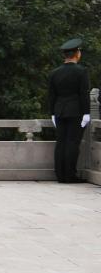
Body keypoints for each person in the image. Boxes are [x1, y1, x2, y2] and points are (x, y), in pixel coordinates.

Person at [48, 38, 91, 183]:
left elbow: (52, 95)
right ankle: (70, 175)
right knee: (72, 143)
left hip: (59, 111)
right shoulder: (82, 71)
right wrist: (86, 113)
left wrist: (52, 113)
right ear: (77, 54)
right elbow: (83, 94)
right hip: (76, 112)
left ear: (65, 55)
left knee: (61, 142)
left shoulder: (54, 73)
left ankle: (60, 175)